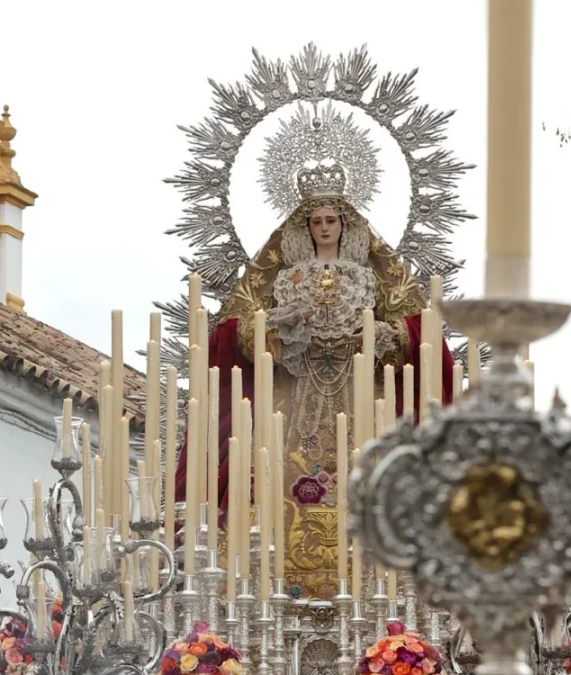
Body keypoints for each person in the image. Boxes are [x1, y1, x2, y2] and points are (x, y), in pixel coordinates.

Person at [174, 163, 454, 600]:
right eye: (316, 222)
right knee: (266, 474)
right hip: (291, 391)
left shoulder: (372, 273)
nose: (324, 229)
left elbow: (421, 334)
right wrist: (276, 330)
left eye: (331, 221)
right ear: (306, 228)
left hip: (362, 391)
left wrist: (377, 335)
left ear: (346, 225)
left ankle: (382, 583)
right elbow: (235, 330)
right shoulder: (283, 275)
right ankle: (258, 585)